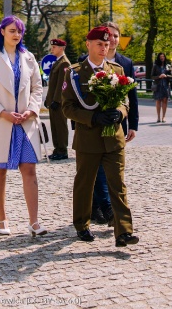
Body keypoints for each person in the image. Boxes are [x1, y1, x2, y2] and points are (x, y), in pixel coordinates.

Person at [62, 25, 139, 247]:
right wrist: (92, 118)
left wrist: (121, 113)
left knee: (118, 184)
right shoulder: (75, 73)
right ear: (88, 44)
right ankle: (82, 225)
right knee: (85, 184)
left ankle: (123, 231)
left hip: (113, 138)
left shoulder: (117, 70)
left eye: (107, 44)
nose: (104, 48)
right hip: (88, 138)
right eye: (99, 44)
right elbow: (67, 108)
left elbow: (125, 101)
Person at [0, 15, 47, 236]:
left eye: (20, 31)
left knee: (29, 169)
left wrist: (32, 110)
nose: (16, 35)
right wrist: (3, 113)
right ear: (2, 32)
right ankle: (2, 218)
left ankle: (34, 222)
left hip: (25, 123)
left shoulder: (29, 58)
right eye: (12, 30)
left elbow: (37, 87)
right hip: (1, 122)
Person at [91, 21, 139, 225]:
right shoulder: (87, 61)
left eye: (116, 36)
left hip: (117, 123)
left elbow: (131, 96)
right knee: (97, 168)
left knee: (112, 168)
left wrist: (133, 124)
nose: (111, 40)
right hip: (94, 125)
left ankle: (98, 208)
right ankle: (105, 207)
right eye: (108, 36)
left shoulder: (125, 64)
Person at [44, 38, 71, 160]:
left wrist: (57, 100)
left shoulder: (64, 63)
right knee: (54, 126)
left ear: (61, 48)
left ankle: (63, 150)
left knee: (60, 126)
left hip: (59, 102)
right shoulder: (57, 62)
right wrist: (48, 99)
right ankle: (57, 149)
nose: (52, 49)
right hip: (53, 101)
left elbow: (62, 84)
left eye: (54, 47)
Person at [151, 53, 172, 123]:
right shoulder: (155, 66)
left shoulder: (168, 66)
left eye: (163, 56)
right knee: (158, 101)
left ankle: (163, 117)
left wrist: (166, 75)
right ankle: (158, 117)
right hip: (158, 85)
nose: (162, 58)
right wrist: (159, 77)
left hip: (165, 85)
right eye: (160, 57)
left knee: (165, 100)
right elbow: (152, 76)